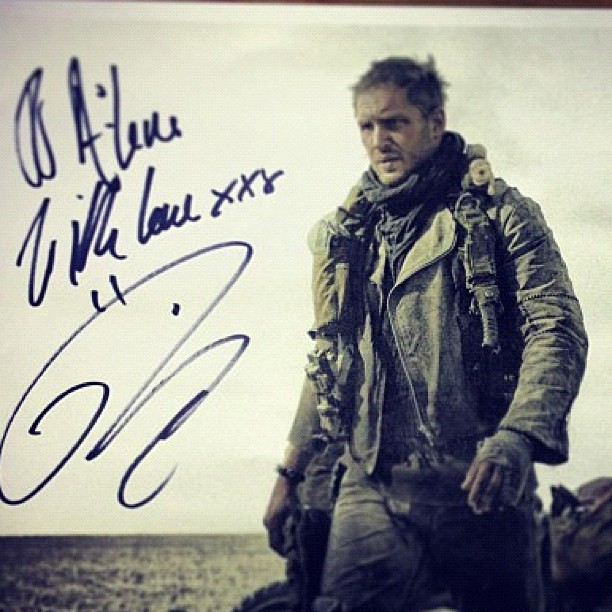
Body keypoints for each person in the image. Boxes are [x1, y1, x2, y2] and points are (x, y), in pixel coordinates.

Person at [263, 56, 588, 612]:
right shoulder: (352, 234)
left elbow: (556, 330)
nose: (379, 140)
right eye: (367, 126)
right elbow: (329, 358)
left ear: (435, 124)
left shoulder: (501, 217)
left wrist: (517, 436)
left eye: (394, 123)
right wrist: (289, 474)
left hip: (480, 486)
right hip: (374, 488)